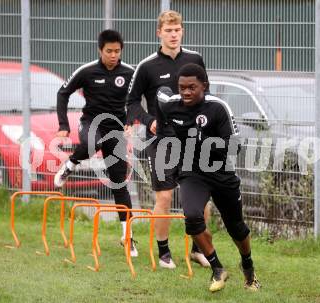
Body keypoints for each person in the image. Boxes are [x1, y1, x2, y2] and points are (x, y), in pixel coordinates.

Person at [157, 63, 261, 292]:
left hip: (220, 172)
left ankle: (248, 269)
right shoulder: (171, 106)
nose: (186, 92)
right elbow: (162, 114)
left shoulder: (218, 108)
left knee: (237, 228)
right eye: (182, 87)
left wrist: (203, 142)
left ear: (204, 86)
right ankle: (217, 269)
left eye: (192, 87)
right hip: (191, 172)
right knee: (192, 218)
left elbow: (235, 147)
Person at [126, 10, 210, 268]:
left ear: (182, 31)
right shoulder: (147, 65)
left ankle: (199, 249)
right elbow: (131, 102)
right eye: (168, 30)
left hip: (192, 141)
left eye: (177, 30)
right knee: (164, 197)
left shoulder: (195, 60)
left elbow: (206, 96)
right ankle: (164, 253)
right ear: (159, 33)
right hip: (160, 140)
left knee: (202, 198)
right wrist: (148, 120)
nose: (173, 35)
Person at [54, 29, 138, 257]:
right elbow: (63, 93)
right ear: (100, 50)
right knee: (93, 142)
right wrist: (63, 125)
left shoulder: (130, 73)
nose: (113, 55)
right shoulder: (87, 71)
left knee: (119, 182)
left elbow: (137, 100)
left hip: (116, 129)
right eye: (109, 51)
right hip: (91, 122)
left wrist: (131, 120)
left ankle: (128, 236)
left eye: (117, 51)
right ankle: (71, 164)